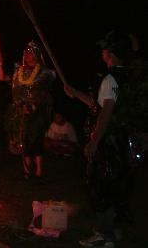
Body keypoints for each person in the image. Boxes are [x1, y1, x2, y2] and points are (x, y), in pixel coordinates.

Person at [64, 30, 137, 247]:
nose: (102, 51)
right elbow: (98, 105)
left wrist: (94, 141)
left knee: (101, 186)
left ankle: (103, 236)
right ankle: (113, 229)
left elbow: (106, 112)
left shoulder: (110, 78)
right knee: (117, 184)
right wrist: (76, 93)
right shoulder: (128, 75)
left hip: (109, 142)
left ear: (111, 54)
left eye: (105, 48)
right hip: (125, 141)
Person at [0, 41, 55, 180]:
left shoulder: (43, 72)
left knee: (36, 141)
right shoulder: (19, 71)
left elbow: (43, 93)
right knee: (25, 142)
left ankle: (39, 172)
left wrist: (32, 107)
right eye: (26, 53)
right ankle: (27, 172)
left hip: (37, 112)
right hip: (20, 110)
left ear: (36, 55)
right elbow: (2, 77)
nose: (27, 55)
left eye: (30, 53)